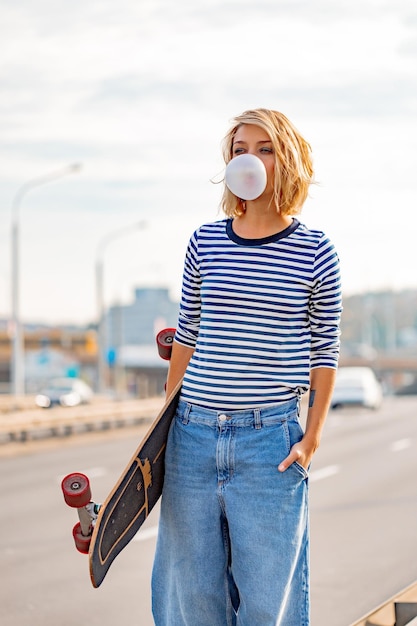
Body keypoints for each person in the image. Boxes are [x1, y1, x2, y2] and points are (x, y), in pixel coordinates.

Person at [151, 108, 342, 626]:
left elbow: (325, 350)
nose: (250, 159)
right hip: (192, 436)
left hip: (269, 445)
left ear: (288, 161)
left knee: (266, 606)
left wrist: (312, 440)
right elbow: (187, 333)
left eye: (265, 148)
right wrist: (163, 429)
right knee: (192, 600)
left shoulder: (315, 252)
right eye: (240, 149)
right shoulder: (204, 242)